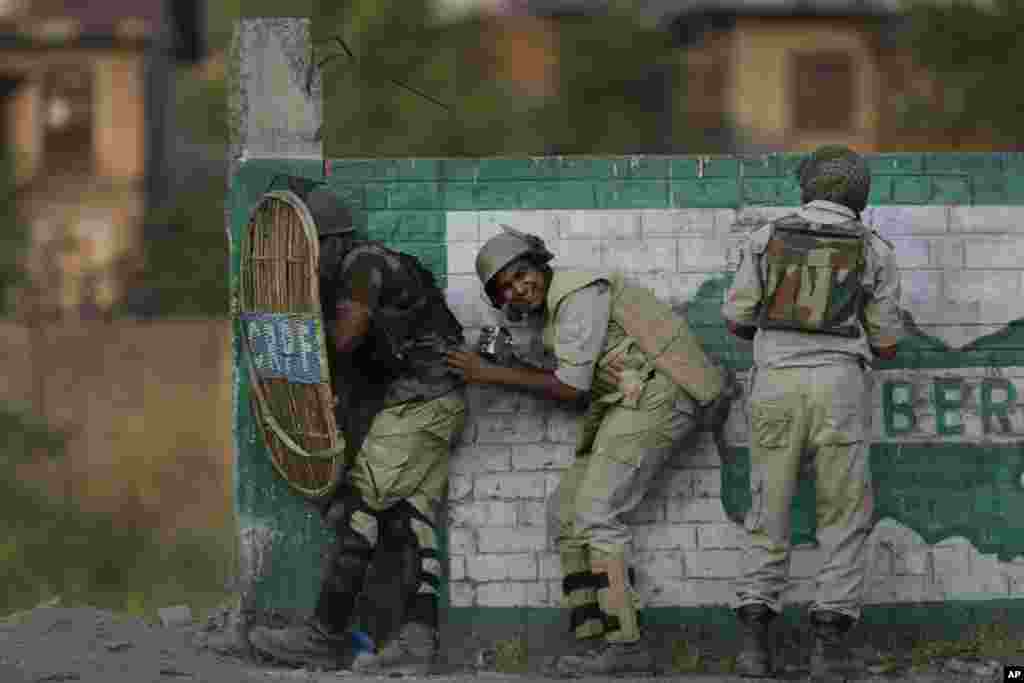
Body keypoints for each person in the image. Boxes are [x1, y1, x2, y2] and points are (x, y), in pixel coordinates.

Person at [447, 226, 735, 676]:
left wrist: (487, 373)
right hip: (626, 401)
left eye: (522, 274)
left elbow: (569, 387)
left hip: (662, 392)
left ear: (539, 265)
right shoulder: (551, 318)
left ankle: (626, 643)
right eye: (506, 288)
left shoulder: (578, 293)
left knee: (598, 512)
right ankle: (594, 638)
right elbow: (577, 388)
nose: (519, 288)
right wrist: (511, 363)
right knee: (567, 514)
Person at [247, 183, 467, 675]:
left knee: (362, 507)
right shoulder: (359, 269)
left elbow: (344, 338)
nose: (306, 263)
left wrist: (294, 326)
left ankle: (324, 635)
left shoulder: (361, 264)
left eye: (308, 252)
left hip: (420, 401)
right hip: (430, 402)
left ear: (329, 242)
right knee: (410, 520)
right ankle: (416, 640)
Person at [721, 145, 906, 680]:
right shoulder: (874, 249)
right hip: (840, 389)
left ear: (806, 188)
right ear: (860, 196)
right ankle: (828, 649)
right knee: (843, 516)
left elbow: (736, 319)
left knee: (767, 510)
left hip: (776, 384)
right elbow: (888, 342)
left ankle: (755, 650)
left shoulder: (767, 237)